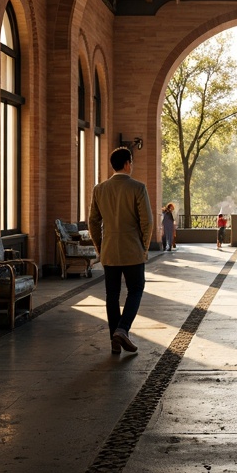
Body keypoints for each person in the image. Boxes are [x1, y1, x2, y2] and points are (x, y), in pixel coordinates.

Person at [88, 146, 154, 355]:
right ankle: (123, 329)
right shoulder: (138, 188)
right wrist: (144, 245)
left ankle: (114, 341)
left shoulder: (99, 189)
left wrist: (99, 245)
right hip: (132, 249)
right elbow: (148, 222)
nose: (132, 165)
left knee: (112, 295)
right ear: (127, 163)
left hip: (109, 250)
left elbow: (93, 221)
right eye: (131, 162)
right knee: (136, 290)